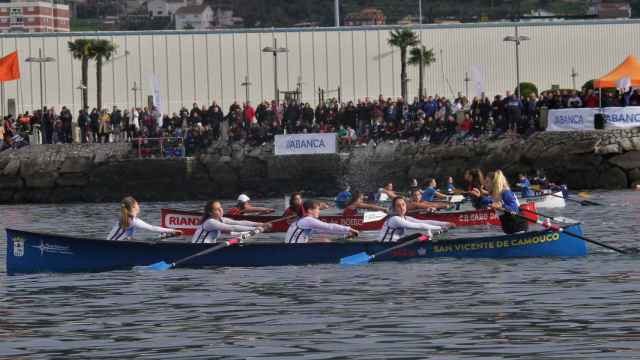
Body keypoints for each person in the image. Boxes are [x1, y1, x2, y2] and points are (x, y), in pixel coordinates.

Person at [379, 196, 453, 242]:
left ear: (406, 206)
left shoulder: (406, 218)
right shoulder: (394, 219)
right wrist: (441, 228)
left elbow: (425, 222)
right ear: (394, 208)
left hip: (395, 243)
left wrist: (446, 223)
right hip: (385, 245)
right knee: (420, 235)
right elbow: (420, 226)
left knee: (420, 235)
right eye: (398, 206)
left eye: (403, 205)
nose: (402, 208)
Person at [192, 200, 269, 243]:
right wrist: (254, 229)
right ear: (210, 213)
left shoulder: (221, 219)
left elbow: (240, 222)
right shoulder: (210, 222)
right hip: (198, 247)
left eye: (220, 208)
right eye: (217, 209)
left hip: (207, 247)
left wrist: (260, 224)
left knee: (241, 234)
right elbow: (232, 227)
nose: (220, 210)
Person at [107, 196, 181, 241]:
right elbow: (153, 228)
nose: (139, 206)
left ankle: (161, 237)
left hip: (112, 243)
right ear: (133, 207)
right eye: (137, 204)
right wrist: (173, 230)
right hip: (115, 246)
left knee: (136, 239)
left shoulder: (123, 217)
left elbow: (127, 237)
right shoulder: (133, 221)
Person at [285, 200, 359, 244]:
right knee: (324, 241)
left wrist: (347, 233)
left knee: (324, 240)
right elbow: (329, 227)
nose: (319, 211)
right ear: (310, 210)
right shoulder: (308, 220)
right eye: (317, 209)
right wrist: (349, 229)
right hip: (293, 248)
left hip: (294, 246)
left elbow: (325, 231)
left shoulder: (303, 221)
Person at [489, 170, 528, 234]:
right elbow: (487, 201)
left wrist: (501, 206)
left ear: (494, 183)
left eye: (487, 182)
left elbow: (514, 209)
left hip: (517, 226)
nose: (484, 184)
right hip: (510, 228)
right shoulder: (495, 194)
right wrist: (480, 197)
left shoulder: (505, 192)